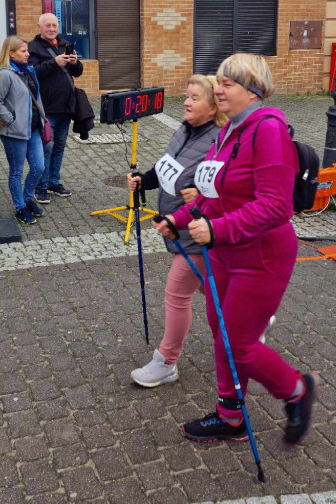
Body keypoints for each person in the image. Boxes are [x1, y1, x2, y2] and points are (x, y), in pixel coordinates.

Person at [154, 53, 317, 446]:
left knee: (240, 344)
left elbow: (276, 205)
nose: (218, 88)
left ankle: (296, 390)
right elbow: (214, 193)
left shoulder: (268, 130)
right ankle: (230, 416)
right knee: (221, 332)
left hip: (260, 255)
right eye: (219, 81)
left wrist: (216, 227)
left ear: (253, 90)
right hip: (225, 253)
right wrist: (181, 217)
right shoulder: (230, 131)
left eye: (227, 83)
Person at [129, 75, 226, 388]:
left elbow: (226, 190)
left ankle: (166, 361)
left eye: (195, 98)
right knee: (208, 287)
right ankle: (251, 320)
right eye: (187, 96)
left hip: (198, 231)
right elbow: (165, 166)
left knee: (176, 293)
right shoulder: (185, 129)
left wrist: (201, 198)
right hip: (176, 225)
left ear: (213, 107)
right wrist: (144, 179)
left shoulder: (219, 140)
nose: (186, 102)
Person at [0, 36, 47, 226]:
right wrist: (11, 119)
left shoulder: (29, 70)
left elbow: (37, 98)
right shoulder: (5, 75)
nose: (28, 54)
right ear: (11, 53)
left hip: (33, 129)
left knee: (39, 166)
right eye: (23, 51)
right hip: (14, 132)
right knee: (16, 171)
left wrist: (42, 119)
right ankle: (20, 207)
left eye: (27, 50)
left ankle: (27, 197)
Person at [28, 13, 82, 203]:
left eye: (54, 25)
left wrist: (75, 63)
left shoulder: (64, 44)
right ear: (40, 27)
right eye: (48, 26)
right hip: (46, 109)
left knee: (59, 146)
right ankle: (40, 186)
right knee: (46, 147)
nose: (52, 29)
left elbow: (78, 72)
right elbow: (32, 73)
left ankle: (53, 182)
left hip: (66, 107)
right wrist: (54, 62)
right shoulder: (32, 48)